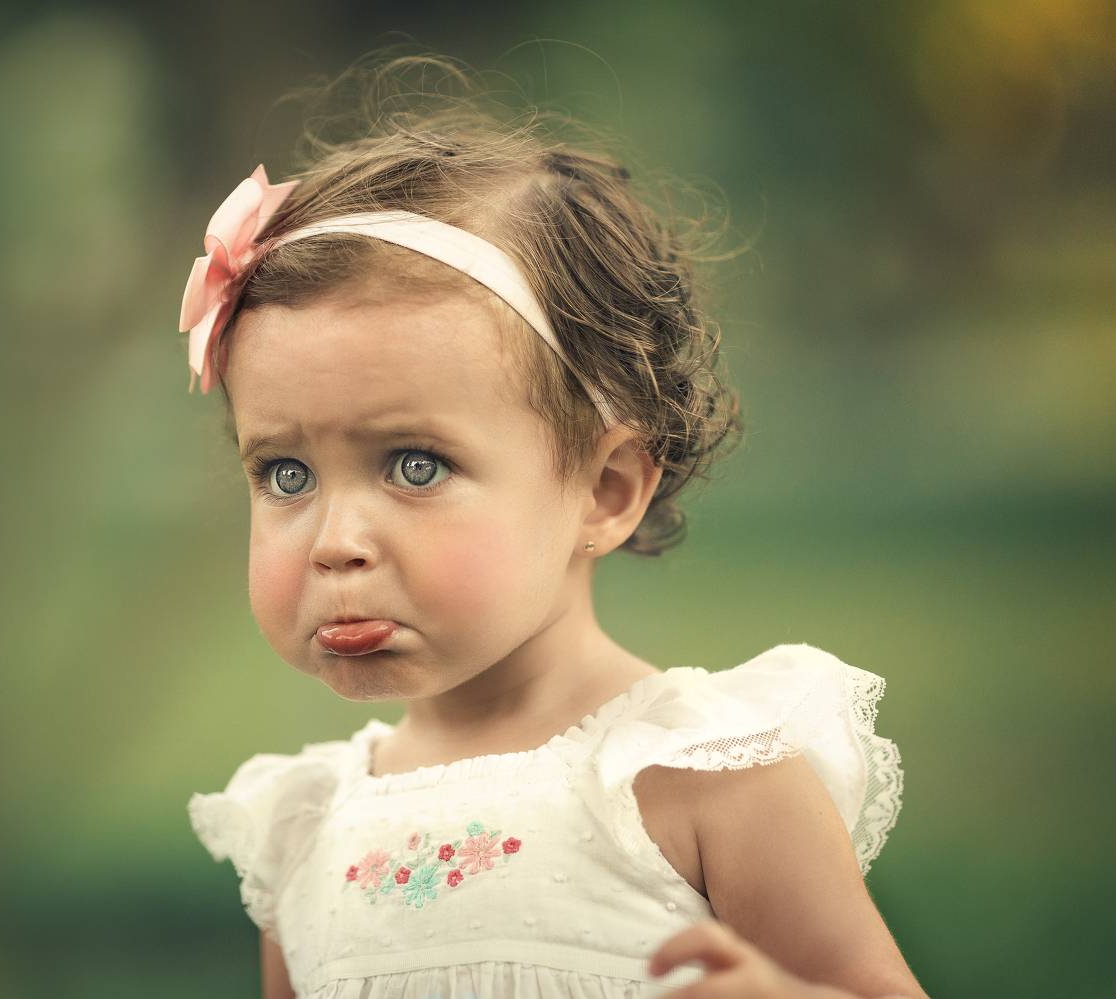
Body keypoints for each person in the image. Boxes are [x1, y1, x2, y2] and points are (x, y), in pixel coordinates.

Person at [183, 53, 927, 999]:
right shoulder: (304, 832)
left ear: (604, 490)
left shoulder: (697, 775)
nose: (336, 542)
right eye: (285, 474)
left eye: (415, 465)